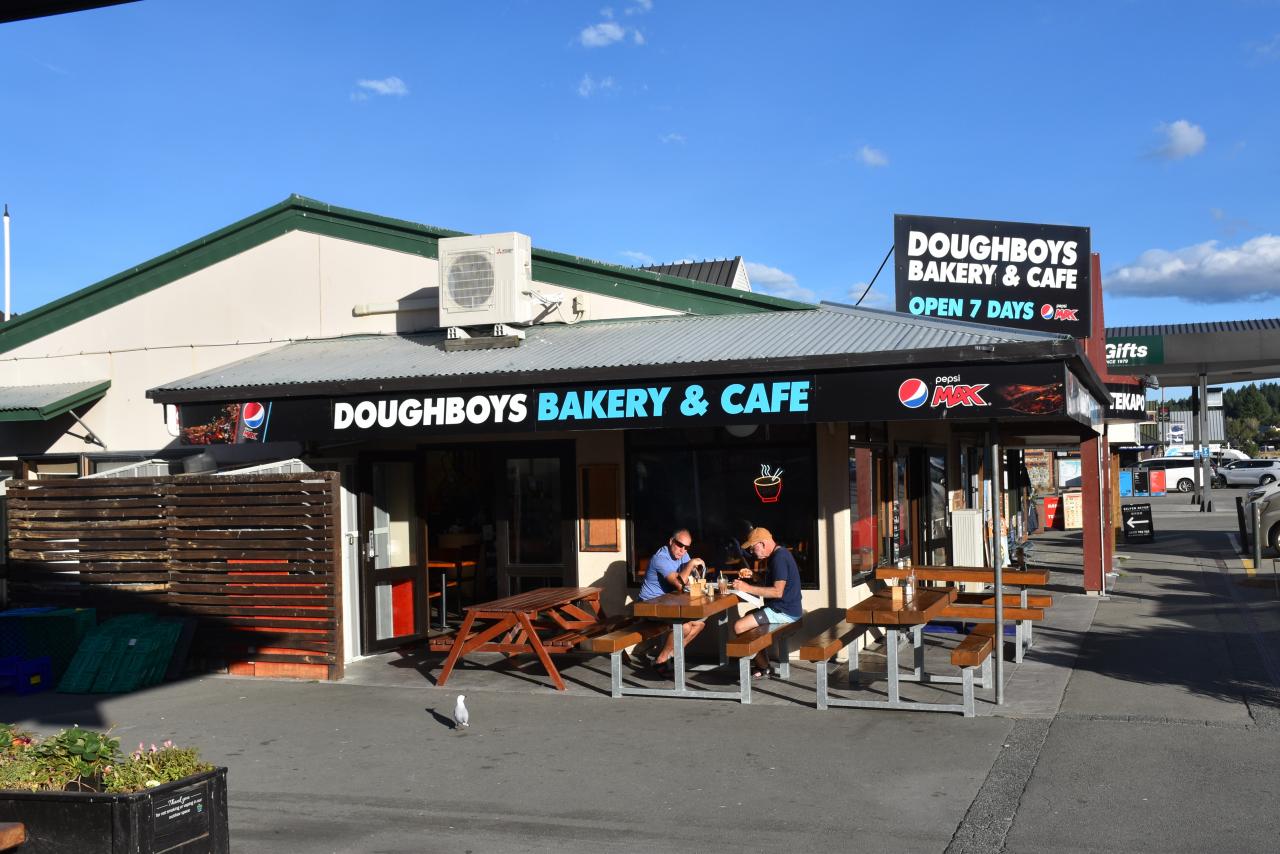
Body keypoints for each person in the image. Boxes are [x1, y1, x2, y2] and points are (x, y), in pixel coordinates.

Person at [731, 527, 803, 680]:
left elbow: (777, 592)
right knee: (748, 617)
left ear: (762, 543)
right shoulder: (778, 554)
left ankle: (763, 666)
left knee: (739, 626)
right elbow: (772, 583)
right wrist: (755, 576)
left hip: (784, 612)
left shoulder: (779, 558)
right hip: (784, 608)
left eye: (753, 547)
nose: (752, 551)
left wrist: (747, 587)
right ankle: (763, 665)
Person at [638, 528, 708, 677]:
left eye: (686, 547)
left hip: (668, 603)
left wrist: (695, 570)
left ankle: (669, 656)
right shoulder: (660, 558)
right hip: (648, 605)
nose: (682, 550)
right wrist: (691, 564)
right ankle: (662, 660)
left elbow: (691, 579)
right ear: (671, 541)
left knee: (700, 624)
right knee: (684, 627)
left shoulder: (683, 555)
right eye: (679, 545)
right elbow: (679, 584)